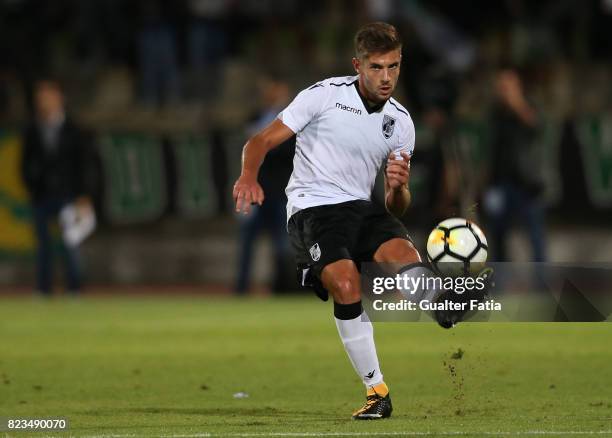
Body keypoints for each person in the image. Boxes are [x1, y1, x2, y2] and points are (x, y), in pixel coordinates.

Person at [233, 22, 420, 420]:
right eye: (376, 67)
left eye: (393, 66)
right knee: (346, 282)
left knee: (406, 259)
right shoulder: (323, 97)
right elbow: (259, 141)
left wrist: (399, 188)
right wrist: (249, 176)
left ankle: (444, 301)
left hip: (363, 207)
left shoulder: (401, 123)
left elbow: (396, 205)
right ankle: (377, 392)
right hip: (314, 208)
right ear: (358, 65)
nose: (386, 77)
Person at [21, 79, 93, 296]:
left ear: (60, 98)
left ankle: (74, 288)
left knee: (70, 243)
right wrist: (33, 187)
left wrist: (83, 195)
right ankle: (43, 289)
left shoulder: (73, 129)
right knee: (43, 246)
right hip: (42, 196)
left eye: (49, 96)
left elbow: (84, 164)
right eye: (41, 98)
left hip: (68, 194)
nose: (44, 102)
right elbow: (24, 164)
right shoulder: (33, 129)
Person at [235, 76, 296, 294]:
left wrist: (263, 142)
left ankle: (281, 288)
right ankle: (240, 289)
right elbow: (248, 147)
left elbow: (282, 150)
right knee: (246, 243)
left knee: (282, 245)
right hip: (254, 192)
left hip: (280, 193)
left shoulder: (293, 122)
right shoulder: (255, 117)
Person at [483, 68, 547, 262]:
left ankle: (541, 282)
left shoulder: (529, 105)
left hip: (526, 183)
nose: (504, 90)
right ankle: (500, 283)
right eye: (501, 86)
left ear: (517, 86)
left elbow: (536, 126)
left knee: (535, 235)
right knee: (498, 234)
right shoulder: (496, 112)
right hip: (501, 182)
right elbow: (492, 148)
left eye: (508, 85)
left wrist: (516, 102)